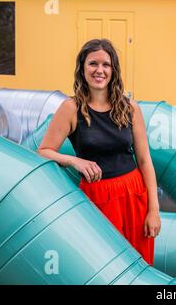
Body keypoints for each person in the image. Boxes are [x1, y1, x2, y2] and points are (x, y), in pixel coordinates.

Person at [38, 39, 160, 265]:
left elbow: (144, 161)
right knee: (103, 265)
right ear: (82, 68)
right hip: (97, 199)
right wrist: (74, 161)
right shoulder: (70, 109)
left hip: (134, 195)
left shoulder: (130, 108)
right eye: (93, 63)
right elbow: (43, 151)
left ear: (113, 70)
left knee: (139, 264)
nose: (99, 70)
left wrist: (154, 210)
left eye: (106, 64)